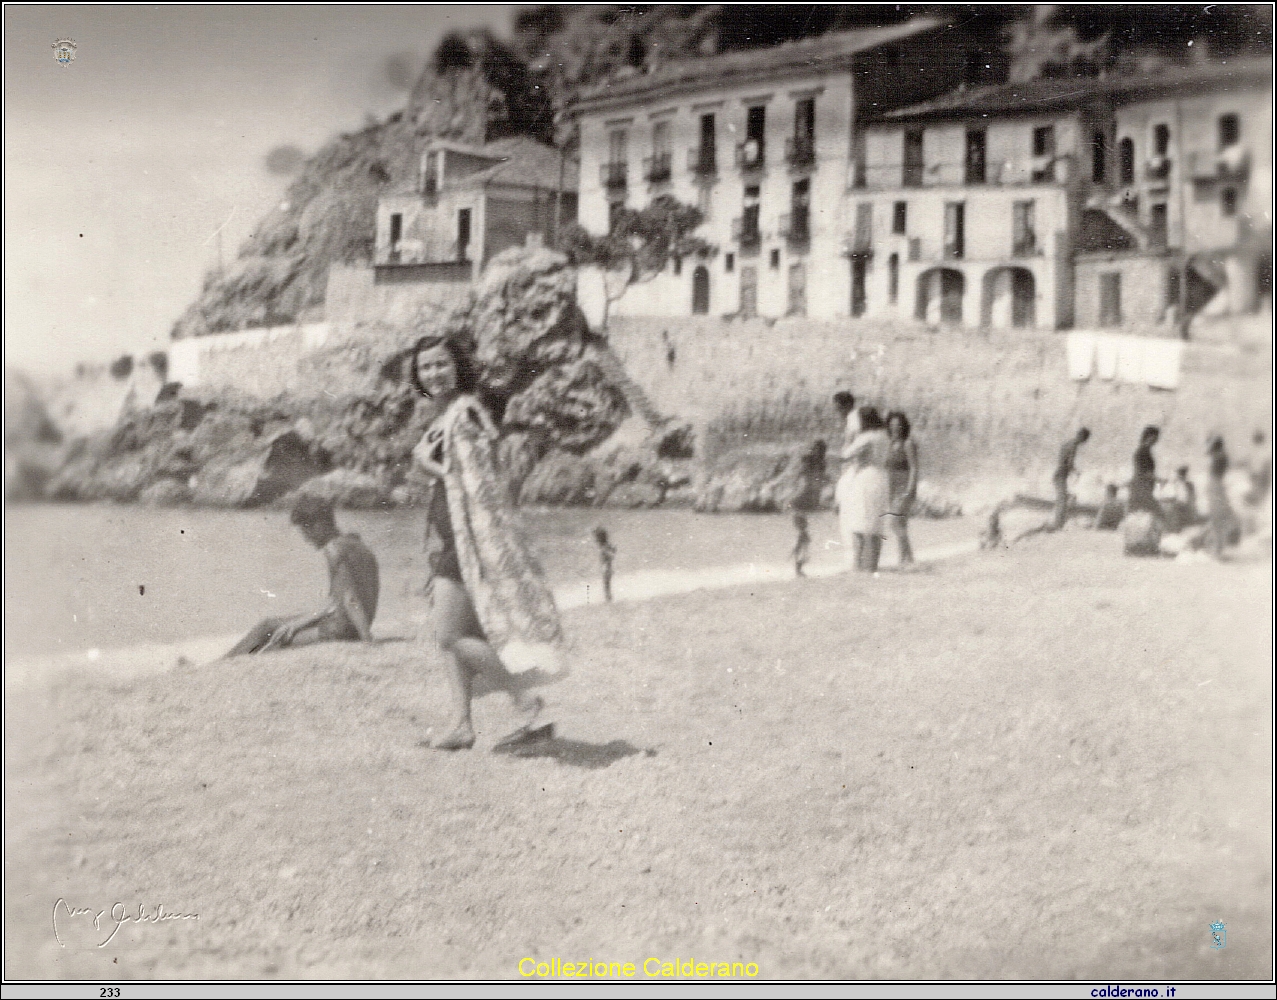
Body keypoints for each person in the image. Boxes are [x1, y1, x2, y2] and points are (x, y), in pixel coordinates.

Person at [409, 335, 565, 752]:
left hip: (468, 541)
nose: (433, 373)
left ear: (458, 366)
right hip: (451, 540)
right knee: (453, 634)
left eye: (441, 364)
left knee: (448, 636)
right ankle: (461, 724)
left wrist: (429, 467)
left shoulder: (464, 412)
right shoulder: (446, 415)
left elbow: (480, 486)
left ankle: (525, 699)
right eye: (425, 367)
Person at [225, 495, 378, 657]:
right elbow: (336, 601)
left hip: (339, 629)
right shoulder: (358, 545)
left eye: (305, 530)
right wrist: (297, 624)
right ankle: (223, 661)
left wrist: (367, 639)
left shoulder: (333, 549)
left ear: (319, 525)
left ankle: (223, 664)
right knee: (269, 625)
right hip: (348, 624)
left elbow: (349, 598)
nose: (306, 538)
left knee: (275, 642)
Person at [837, 406, 892, 571]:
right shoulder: (884, 436)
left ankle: (859, 565)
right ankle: (872, 565)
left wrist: (849, 437)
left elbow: (845, 454)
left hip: (865, 478)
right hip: (881, 477)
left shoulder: (866, 437)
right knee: (875, 523)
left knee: (859, 521)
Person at [884, 411, 919, 564]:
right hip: (892, 487)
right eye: (891, 425)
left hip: (904, 486)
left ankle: (908, 557)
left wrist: (910, 489)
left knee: (894, 523)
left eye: (898, 425)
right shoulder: (890, 443)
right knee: (901, 524)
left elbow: (914, 467)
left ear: (903, 426)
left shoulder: (907, 443)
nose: (895, 428)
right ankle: (905, 559)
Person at [1205, 435, 1240, 558]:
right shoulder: (1222, 455)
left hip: (1216, 487)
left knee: (1217, 519)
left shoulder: (1219, 456)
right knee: (1219, 519)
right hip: (1218, 486)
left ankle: (1218, 549)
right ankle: (1219, 548)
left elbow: (1207, 452)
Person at [1052, 427, 1090, 530]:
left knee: (1063, 498)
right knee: (1062, 500)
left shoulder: (1067, 443)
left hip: (1059, 474)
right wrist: (1076, 472)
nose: (1083, 443)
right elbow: (1069, 463)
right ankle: (1057, 525)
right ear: (1082, 437)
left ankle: (1058, 522)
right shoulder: (1073, 446)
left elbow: (1063, 461)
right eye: (1084, 440)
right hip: (1061, 475)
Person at [1128, 425, 1163, 521]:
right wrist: (1159, 480)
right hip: (1141, 489)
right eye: (1155, 437)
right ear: (1149, 436)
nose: (1157, 440)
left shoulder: (1144, 451)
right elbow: (1143, 472)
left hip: (1142, 488)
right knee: (1157, 514)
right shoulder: (1142, 452)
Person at [593, 526, 617, 602]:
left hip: (606, 567)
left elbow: (610, 555)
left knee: (606, 584)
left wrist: (608, 555)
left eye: (597, 538)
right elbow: (613, 551)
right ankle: (608, 598)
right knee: (606, 584)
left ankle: (608, 599)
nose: (595, 540)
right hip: (608, 567)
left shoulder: (603, 547)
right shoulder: (606, 545)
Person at [792, 513, 811, 578]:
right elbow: (807, 540)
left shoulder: (803, 532)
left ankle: (799, 574)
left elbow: (805, 541)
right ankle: (800, 574)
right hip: (801, 550)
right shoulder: (803, 532)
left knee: (799, 563)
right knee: (799, 563)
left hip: (801, 550)